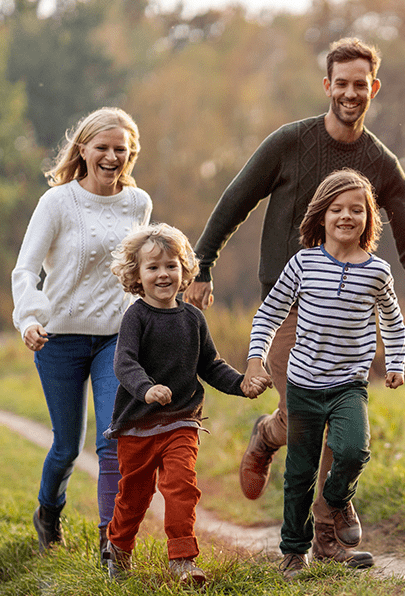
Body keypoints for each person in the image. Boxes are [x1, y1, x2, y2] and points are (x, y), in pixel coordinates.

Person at [183, 37, 405, 566]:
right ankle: (271, 439)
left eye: (361, 85)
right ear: (328, 85)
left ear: (373, 89)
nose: (351, 94)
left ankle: (325, 534)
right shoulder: (289, 142)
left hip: (350, 312)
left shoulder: (380, 161)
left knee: (339, 420)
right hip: (290, 304)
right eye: (342, 84)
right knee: (307, 415)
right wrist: (203, 263)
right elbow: (236, 199)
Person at [244, 169, 405, 579]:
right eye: (337, 209)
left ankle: (336, 502)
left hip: (349, 384)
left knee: (354, 450)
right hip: (303, 385)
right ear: (321, 216)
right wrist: (255, 358)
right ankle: (295, 552)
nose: (346, 216)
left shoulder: (377, 271)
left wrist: (396, 363)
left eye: (357, 210)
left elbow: (393, 321)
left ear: (369, 218)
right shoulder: (304, 263)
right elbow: (270, 313)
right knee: (300, 471)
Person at [11, 107, 153, 560]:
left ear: (130, 154)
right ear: (84, 150)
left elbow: (140, 267)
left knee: (112, 439)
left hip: (116, 336)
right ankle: (48, 512)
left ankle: (111, 543)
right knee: (67, 447)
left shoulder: (138, 203)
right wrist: (30, 319)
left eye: (120, 149)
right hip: (60, 338)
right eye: (103, 147)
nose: (111, 157)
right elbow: (26, 268)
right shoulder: (57, 202)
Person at [102, 223, 269, 585]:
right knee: (135, 497)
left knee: (182, 485)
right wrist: (146, 389)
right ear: (136, 275)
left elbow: (210, 365)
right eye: (153, 267)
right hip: (138, 425)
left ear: (184, 271)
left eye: (171, 265)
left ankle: (182, 560)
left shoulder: (193, 318)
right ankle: (117, 547)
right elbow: (124, 363)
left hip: (181, 422)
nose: (163, 274)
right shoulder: (136, 317)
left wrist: (242, 384)